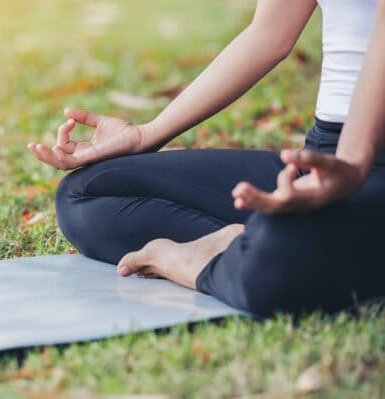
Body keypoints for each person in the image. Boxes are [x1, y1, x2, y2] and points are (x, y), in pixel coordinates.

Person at [27, 0, 385, 316]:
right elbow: (269, 33)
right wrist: (147, 134)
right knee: (85, 194)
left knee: (276, 257)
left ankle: (200, 258)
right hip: (327, 151)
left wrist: (353, 164)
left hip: (364, 163)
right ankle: (244, 239)